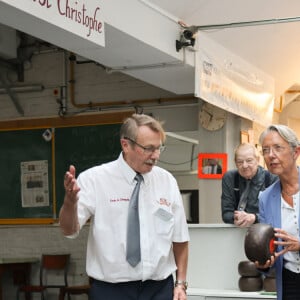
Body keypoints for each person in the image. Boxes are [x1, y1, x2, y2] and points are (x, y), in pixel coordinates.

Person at [59, 113, 190, 300]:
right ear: (126, 145)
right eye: (148, 149)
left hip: (159, 289)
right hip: (111, 290)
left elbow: (180, 238)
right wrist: (69, 203)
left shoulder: (166, 181)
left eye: (159, 148)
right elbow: (68, 230)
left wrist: (181, 283)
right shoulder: (94, 179)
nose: (156, 156)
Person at [257, 124, 300, 300]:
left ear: (296, 152)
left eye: (277, 148)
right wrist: (264, 262)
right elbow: (268, 246)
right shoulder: (265, 198)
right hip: (289, 283)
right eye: (265, 150)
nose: (271, 155)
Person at [221, 143, 277, 227]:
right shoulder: (230, 178)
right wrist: (236, 217)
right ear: (235, 163)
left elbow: (276, 213)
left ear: (257, 160)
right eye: (240, 162)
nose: (244, 165)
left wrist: (254, 217)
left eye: (249, 160)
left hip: (265, 231)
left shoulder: (272, 178)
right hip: (237, 230)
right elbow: (226, 214)